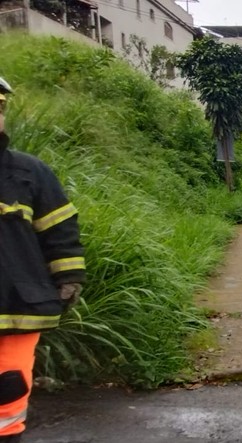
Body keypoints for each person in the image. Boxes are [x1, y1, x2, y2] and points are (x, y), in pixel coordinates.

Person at [0, 77, 85, 442]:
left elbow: (60, 230)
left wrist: (69, 278)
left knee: (9, 389)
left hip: (18, 306)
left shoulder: (29, 172)